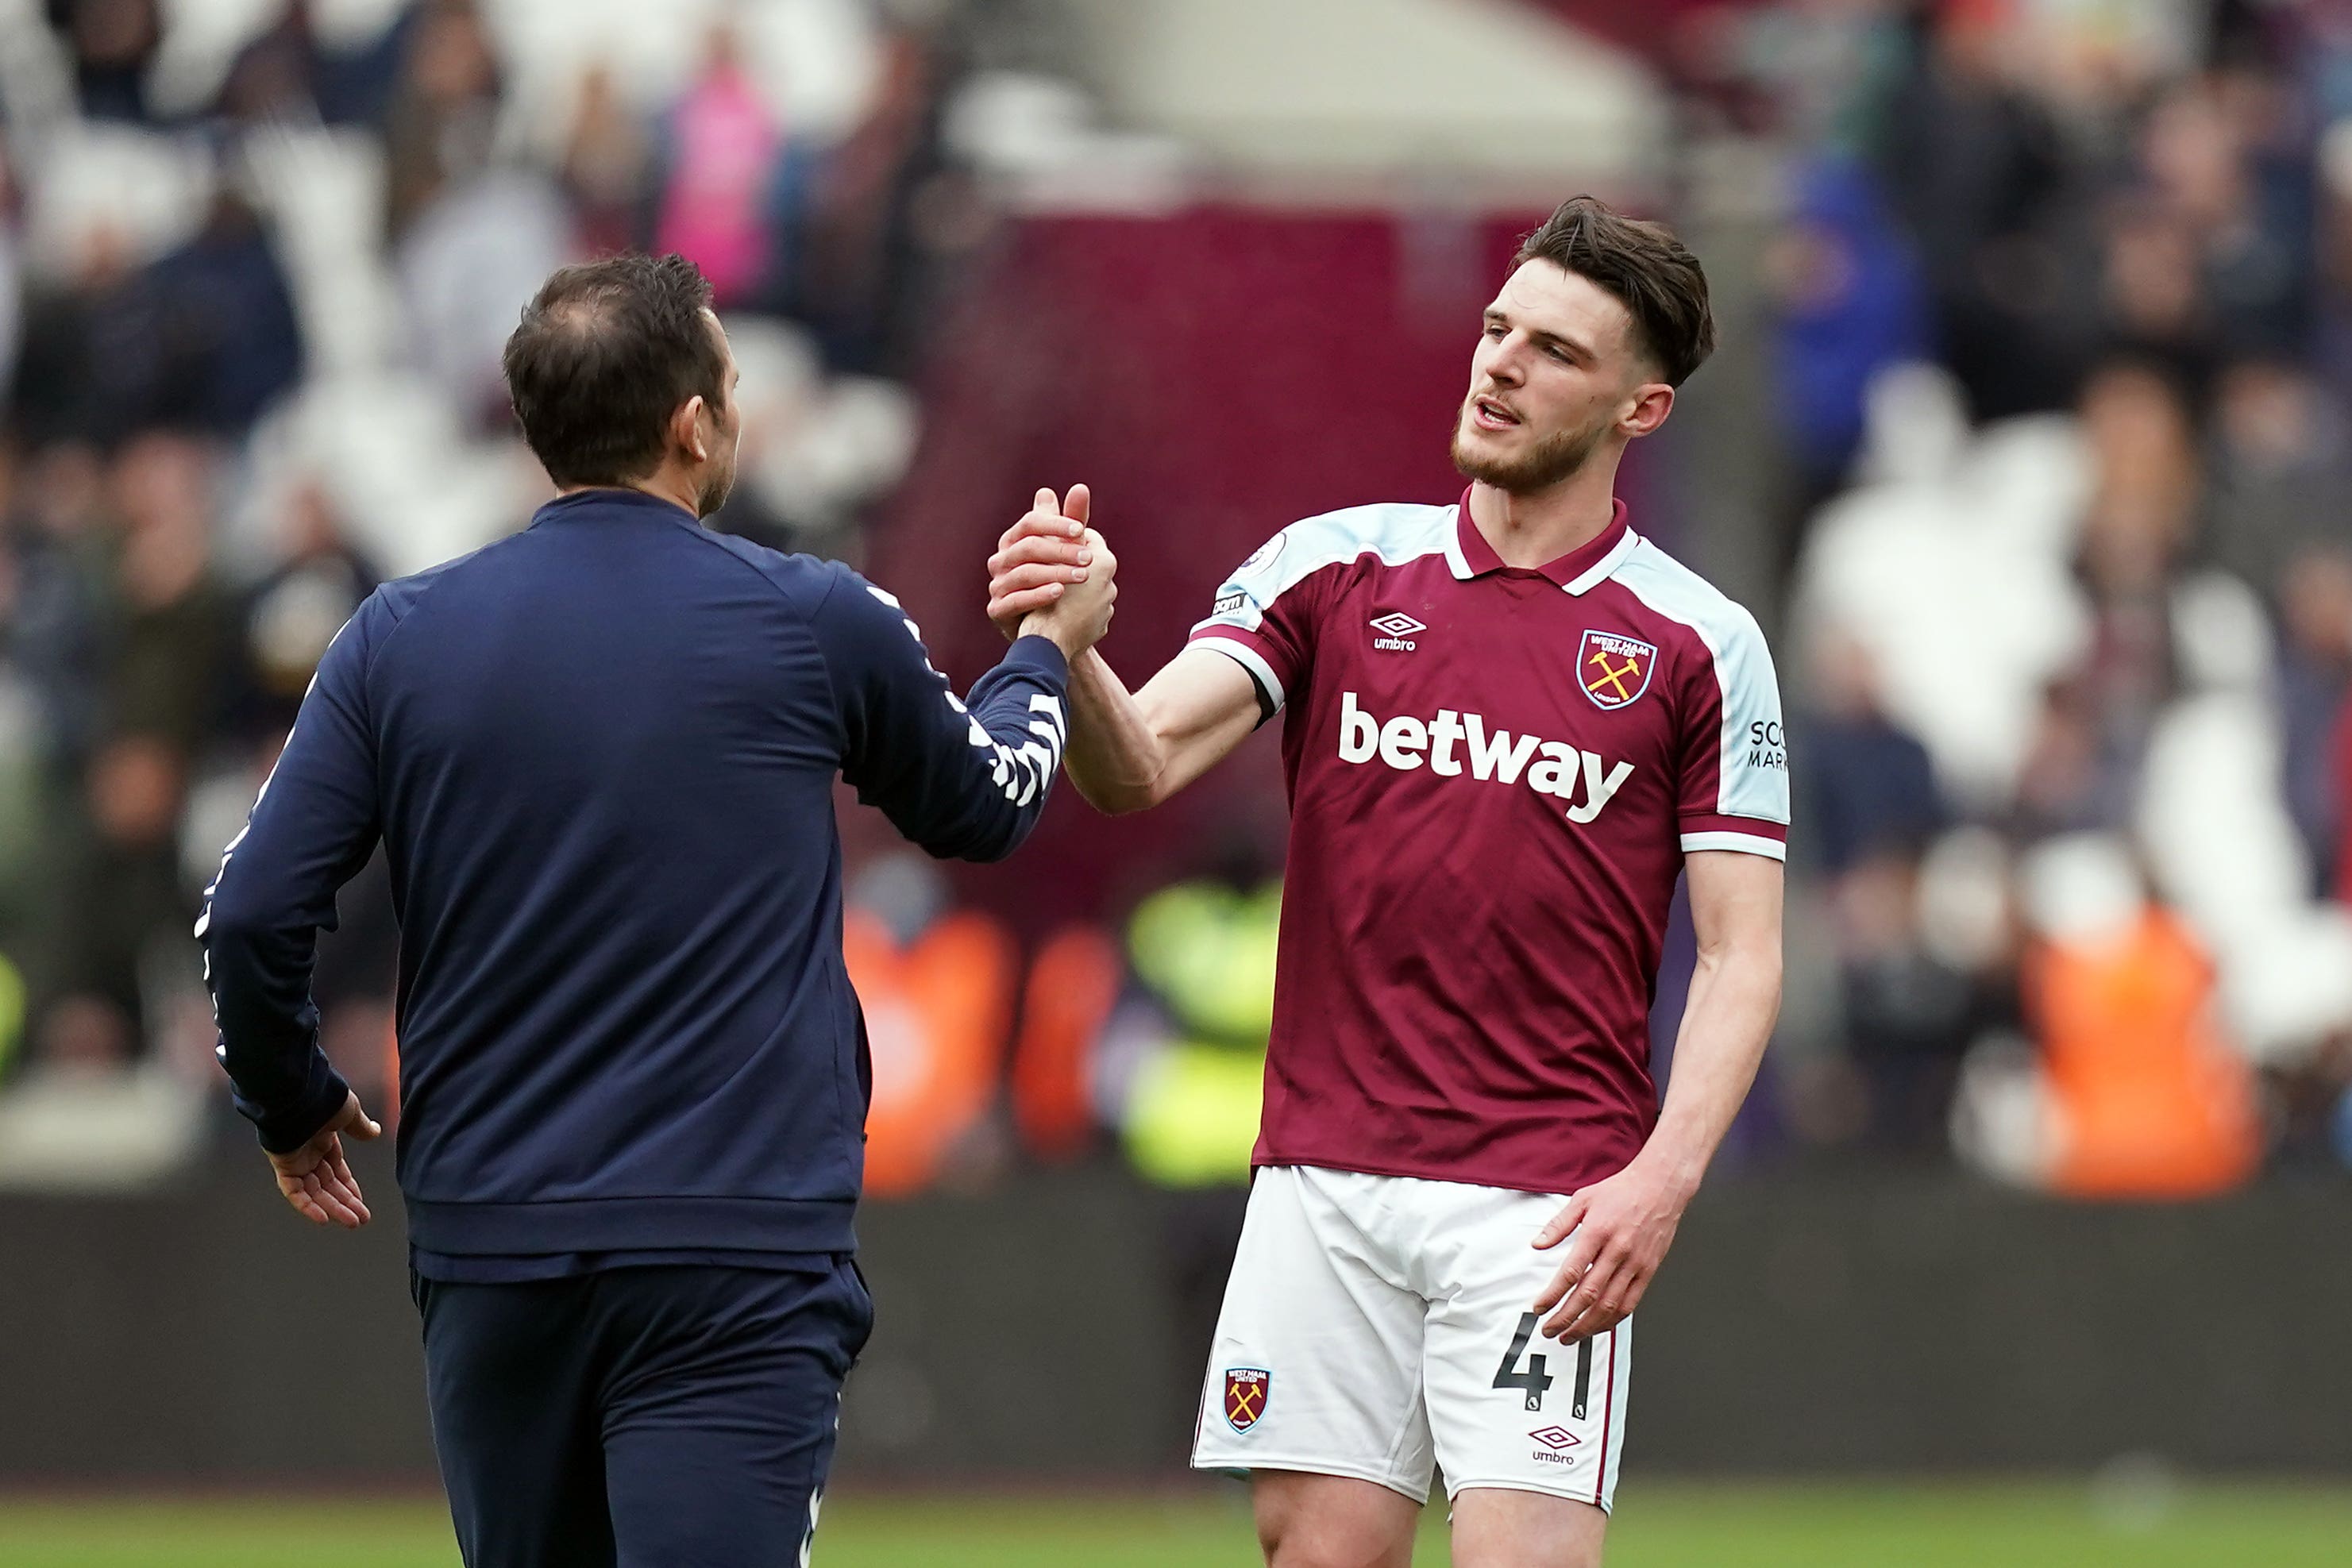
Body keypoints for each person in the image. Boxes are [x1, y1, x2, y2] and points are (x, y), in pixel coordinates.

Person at [197, 252, 1115, 1567]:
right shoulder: (811, 616)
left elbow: (248, 915)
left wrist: (289, 1106)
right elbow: (990, 802)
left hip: (492, 1254)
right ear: (693, 424)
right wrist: (1044, 649)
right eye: (730, 385)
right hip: (730, 1258)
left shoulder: (397, 635)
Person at [987, 196, 1786, 1568]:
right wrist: (1073, 653)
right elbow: (1136, 770)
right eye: (1495, 329)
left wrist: (1661, 1181)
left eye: (1553, 351)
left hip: (1547, 1207)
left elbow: (1740, 954)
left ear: (1639, 411)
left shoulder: (1699, 643)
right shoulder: (1332, 566)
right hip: (1323, 1184)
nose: (1498, 365)